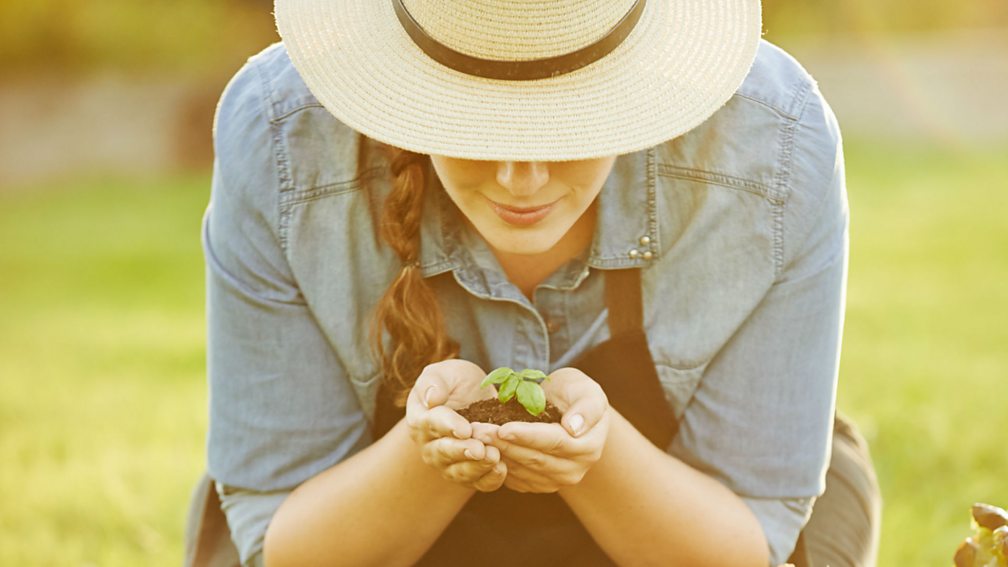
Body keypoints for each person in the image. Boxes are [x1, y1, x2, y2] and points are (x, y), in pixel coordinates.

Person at [194, 0, 881, 565]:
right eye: (475, 122)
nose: (521, 178)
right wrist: (429, 455)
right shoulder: (283, 142)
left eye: (568, 122)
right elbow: (281, 543)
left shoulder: (774, 150)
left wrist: (598, 449)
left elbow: (749, 546)